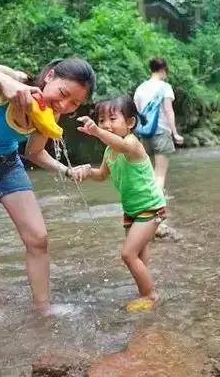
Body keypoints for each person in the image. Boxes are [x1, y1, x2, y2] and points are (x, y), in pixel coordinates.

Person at [0, 55, 95, 324]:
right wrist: (3, 80)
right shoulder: (10, 79)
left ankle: (43, 308)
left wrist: (66, 170)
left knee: (38, 238)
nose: (64, 104)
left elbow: (35, 153)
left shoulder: (52, 112)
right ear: (49, 76)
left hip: (8, 165)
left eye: (75, 103)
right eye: (62, 93)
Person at [77, 96, 166, 309]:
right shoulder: (109, 151)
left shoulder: (132, 143)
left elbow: (123, 146)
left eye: (112, 118)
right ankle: (143, 291)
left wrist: (98, 132)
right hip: (132, 210)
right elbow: (101, 175)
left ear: (130, 123)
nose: (106, 124)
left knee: (128, 254)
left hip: (150, 207)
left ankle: (150, 296)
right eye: (101, 120)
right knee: (139, 253)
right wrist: (87, 171)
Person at [133, 57, 183, 191]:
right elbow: (168, 111)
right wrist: (175, 133)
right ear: (163, 70)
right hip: (161, 132)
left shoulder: (140, 88)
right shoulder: (165, 87)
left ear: (151, 69)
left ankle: (147, 203)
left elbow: (137, 112)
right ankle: (158, 204)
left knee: (148, 174)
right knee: (160, 175)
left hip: (144, 134)